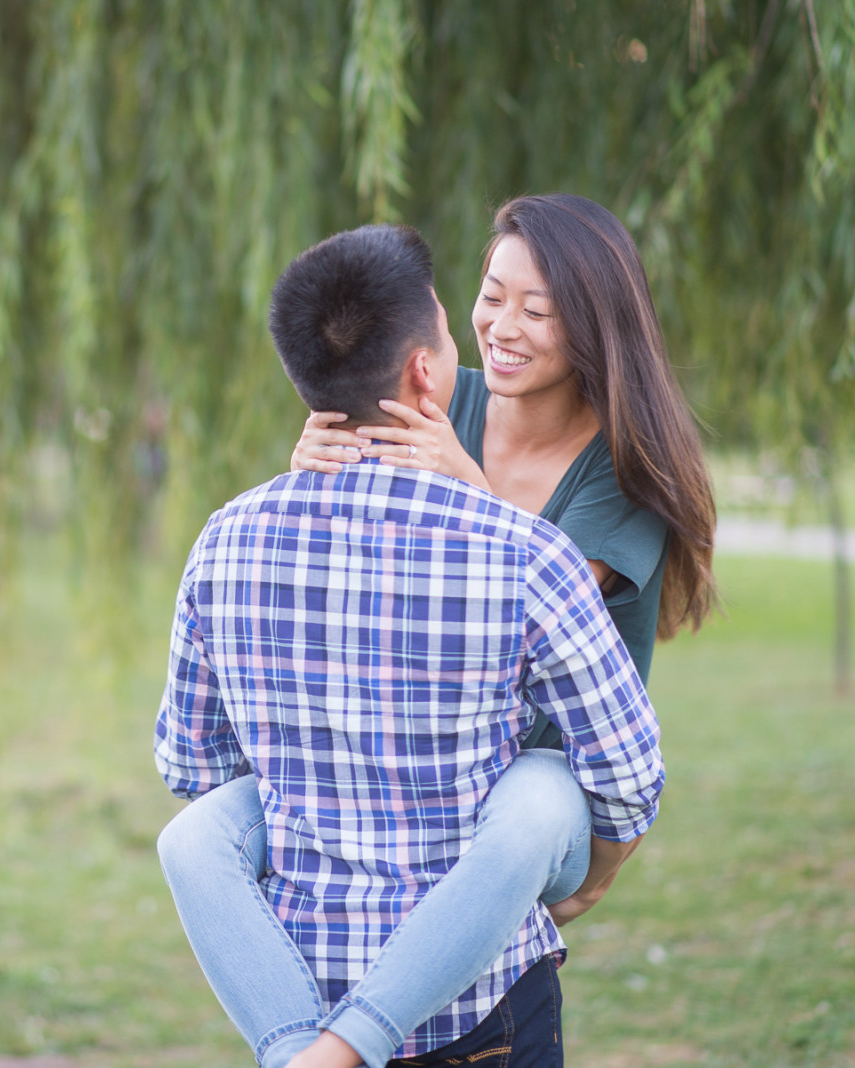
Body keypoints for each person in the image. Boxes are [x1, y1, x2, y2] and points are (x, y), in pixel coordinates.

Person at [158, 194, 717, 1068]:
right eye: (491, 295)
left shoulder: (620, 474)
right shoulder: (437, 397)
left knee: (532, 798)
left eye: (538, 310)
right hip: (397, 752)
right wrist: (313, 474)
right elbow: (356, 563)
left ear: (596, 328)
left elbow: (536, 600)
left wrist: (600, 870)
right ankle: (311, 1052)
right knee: (193, 838)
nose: (502, 325)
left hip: (529, 784)